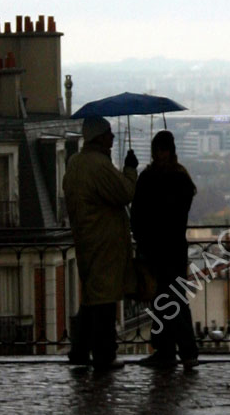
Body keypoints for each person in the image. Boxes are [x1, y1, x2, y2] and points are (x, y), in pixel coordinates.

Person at [63, 116, 138, 370]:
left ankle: (80, 349)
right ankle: (104, 354)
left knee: (91, 298)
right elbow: (125, 193)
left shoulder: (75, 163)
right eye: (109, 133)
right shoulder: (98, 165)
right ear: (100, 137)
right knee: (104, 300)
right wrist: (130, 170)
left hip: (86, 238)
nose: (112, 138)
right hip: (104, 241)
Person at [130, 130, 199, 369]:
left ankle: (173, 350)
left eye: (162, 149)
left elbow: (137, 214)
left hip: (156, 248)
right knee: (171, 300)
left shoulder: (148, 178)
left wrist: (142, 237)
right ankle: (179, 350)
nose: (160, 154)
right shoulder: (181, 179)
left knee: (165, 300)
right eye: (158, 149)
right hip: (173, 248)